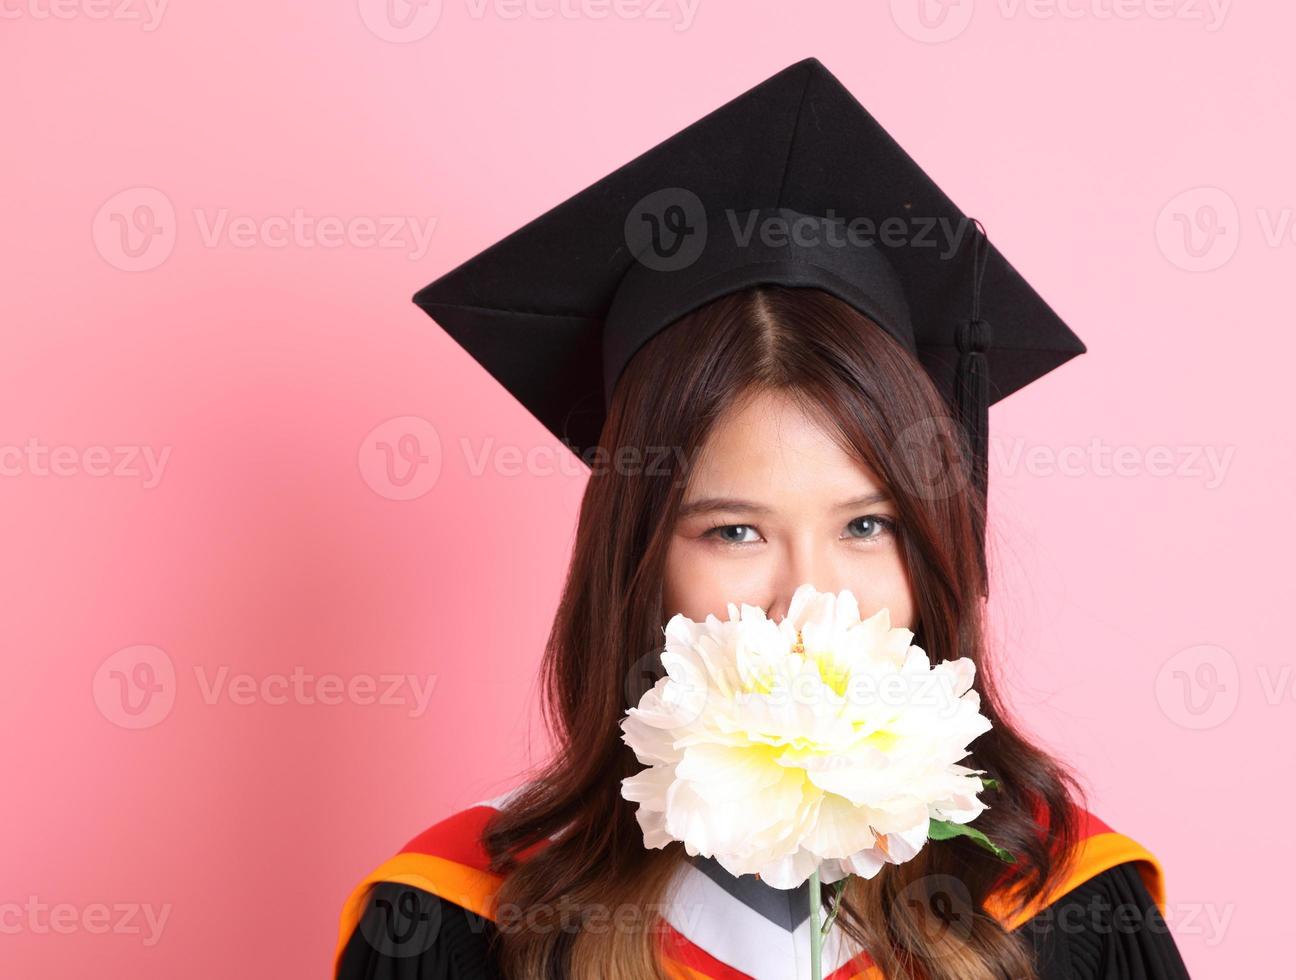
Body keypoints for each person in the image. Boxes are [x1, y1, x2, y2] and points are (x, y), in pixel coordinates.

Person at [334, 58, 1192, 980]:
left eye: (867, 525)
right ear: (636, 557)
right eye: (734, 532)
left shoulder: (1062, 902)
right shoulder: (463, 924)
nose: (808, 601)